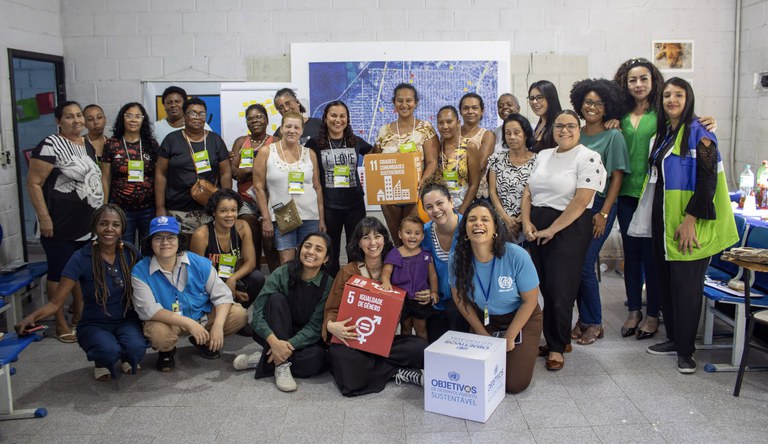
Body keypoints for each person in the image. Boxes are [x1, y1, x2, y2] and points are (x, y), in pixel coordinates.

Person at [611, 58, 716, 339]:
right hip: (626, 195)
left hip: (656, 196)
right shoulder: (618, 114)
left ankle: (653, 315)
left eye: (644, 79)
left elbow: (695, 140)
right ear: (625, 83)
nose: (638, 84)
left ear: (653, 80)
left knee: (654, 258)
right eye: (632, 80)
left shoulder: (664, 114)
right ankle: (634, 310)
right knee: (630, 257)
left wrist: (706, 120)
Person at [643, 78, 738, 374]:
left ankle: (686, 351)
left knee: (686, 287)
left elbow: (707, 180)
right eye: (667, 95)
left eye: (678, 95)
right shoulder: (665, 134)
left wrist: (689, 221)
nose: (672, 99)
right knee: (666, 281)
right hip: (663, 217)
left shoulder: (702, 133)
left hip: (688, 219)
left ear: (689, 98)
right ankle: (674, 338)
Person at [16, 205, 146, 381]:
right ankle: (101, 362)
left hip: (126, 319)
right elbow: (56, 302)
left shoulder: (129, 251)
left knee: (136, 348)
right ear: (94, 227)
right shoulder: (80, 257)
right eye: (103, 223)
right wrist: (32, 317)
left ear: (122, 228)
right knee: (107, 351)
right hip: (95, 323)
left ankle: (127, 356)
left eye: (115, 225)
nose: (109, 229)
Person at [521, 110, 606, 371]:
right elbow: (528, 191)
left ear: (579, 129)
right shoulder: (544, 155)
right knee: (543, 287)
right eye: (559, 126)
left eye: (570, 126)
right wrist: (526, 222)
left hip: (568, 228)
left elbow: (581, 201)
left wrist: (553, 229)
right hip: (537, 225)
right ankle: (557, 339)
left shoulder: (589, 157)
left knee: (561, 289)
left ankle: (557, 348)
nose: (564, 130)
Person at [26, 100, 104, 343]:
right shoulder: (51, 144)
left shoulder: (86, 144)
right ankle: (59, 322)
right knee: (59, 274)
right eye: (69, 117)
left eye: (79, 116)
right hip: (59, 224)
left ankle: (79, 314)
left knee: (80, 272)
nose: (77, 121)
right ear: (58, 121)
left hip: (86, 225)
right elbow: (34, 183)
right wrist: (44, 217)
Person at [323, 217, 427, 396]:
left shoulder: (397, 267)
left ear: (385, 240)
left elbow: (415, 288)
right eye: (365, 238)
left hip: (385, 341)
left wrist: (426, 293)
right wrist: (332, 326)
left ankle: (376, 368)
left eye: (377, 236)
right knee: (339, 356)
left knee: (419, 347)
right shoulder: (348, 271)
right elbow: (332, 308)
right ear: (358, 243)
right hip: (355, 340)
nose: (372, 243)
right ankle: (396, 372)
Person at [131, 216, 247, 371]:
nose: (165, 243)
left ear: (179, 240)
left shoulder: (198, 262)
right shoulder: (140, 271)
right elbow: (148, 309)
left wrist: (218, 326)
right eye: (158, 238)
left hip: (202, 315)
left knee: (239, 315)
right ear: (150, 243)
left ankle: (205, 341)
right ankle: (166, 352)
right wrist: (189, 324)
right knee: (159, 334)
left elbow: (223, 295)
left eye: (171, 237)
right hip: (169, 321)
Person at [449, 201, 543, 394]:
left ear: (495, 229)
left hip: (521, 318)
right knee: (475, 375)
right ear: (465, 230)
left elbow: (530, 301)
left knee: (513, 384)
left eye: (485, 220)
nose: (478, 224)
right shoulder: (457, 258)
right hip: (485, 318)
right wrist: (481, 332)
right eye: (472, 220)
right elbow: (460, 299)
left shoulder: (517, 255)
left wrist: (510, 336)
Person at [569, 79, 630, 345]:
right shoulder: (576, 133)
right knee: (576, 265)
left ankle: (594, 322)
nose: (592, 107)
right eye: (588, 102)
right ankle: (584, 319)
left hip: (599, 206)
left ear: (607, 108)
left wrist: (604, 213)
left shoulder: (613, 135)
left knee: (585, 264)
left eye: (598, 103)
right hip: (575, 207)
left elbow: (617, 178)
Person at [234, 232, 333, 392]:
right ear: (300, 249)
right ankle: (281, 365)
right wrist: (274, 342)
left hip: (302, 339)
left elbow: (315, 327)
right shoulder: (282, 272)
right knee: (276, 299)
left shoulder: (328, 284)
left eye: (318, 249)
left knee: (315, 361)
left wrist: (286, 347)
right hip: (274, 329)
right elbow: (258, 312)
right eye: (307, 246)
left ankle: (265, 357)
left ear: (326, 258)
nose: (311, 252)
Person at [305, 101, 372, 277]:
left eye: (342, 116)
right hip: (329, 205)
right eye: (333, 115)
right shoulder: (314, 144)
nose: (338, 120)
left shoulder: (355, 141)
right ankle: (331, 290)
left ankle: (354, 286)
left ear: (347, 119)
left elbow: (376, 156)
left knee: (355, 248)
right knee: (330, 251)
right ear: (325, 118)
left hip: (355, 205)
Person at [253, 111, 325, 264]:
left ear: (302, 130)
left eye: (297, 127)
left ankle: (305, 289)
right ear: (281, 128)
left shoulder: (310, 153)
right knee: (287, 263)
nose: (292, 130)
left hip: (310, 216)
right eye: (288, 126)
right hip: (282, 215)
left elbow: (317, 187)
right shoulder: (266, 152)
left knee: (310, 261)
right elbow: (258, 188)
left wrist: (321, 219)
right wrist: (266, 218)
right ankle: (288, 289)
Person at [155, 97, 232, 237]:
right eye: (193, 113)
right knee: (183, 251)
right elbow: (160, 174)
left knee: (208, 250)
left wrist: (226, 203)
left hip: (209, 209)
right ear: (184, 116)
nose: (198, 117)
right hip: (178, 208)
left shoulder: (215, 140)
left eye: (201, 114)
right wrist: (160, 207)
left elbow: (225, 173)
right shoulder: (171, 140)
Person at [374, 83, 439, 244]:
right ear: (394, 102)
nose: (404, 105)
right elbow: (374, 161)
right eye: (399, 100)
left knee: (415, 240)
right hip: (390, 196)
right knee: (398, 241)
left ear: (415, 102)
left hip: (415, 194)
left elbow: (432, 162)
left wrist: (422, 182)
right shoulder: (384, 131)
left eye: (409, 100)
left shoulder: (425, 129)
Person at [190, 189, 265, 322]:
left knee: (257, 277)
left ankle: (237, 316)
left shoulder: (242, 227)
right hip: (208, 284)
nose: (230, 215)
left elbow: (251, 262)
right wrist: (229, 291)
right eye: (223, 211)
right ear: (214, 212)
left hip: (231, 277)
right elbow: (197, 276)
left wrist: (233, 279)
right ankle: (217, 319)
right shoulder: (201, 235)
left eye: (233, 210)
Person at [101, 102, 159, 249]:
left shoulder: (151, 144)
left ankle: (144, 273)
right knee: (124, 247)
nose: (133, 120)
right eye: (129, 116)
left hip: (148, 208)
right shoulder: (112, 144)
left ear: (143, 120)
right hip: (121, 208)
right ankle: (127, 272)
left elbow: (159, 177)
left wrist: (160, 205)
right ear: (123, 119)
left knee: (148, 247)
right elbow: (106, 177)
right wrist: (106, 205)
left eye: (138, 116)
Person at [231, 103, 280, 272]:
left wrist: (250, 169)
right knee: (250, 244)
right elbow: (234, 172)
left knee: (271, 245)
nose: (254, 120)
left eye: (259, 116)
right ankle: (254, 285)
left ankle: (275, 286)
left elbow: (279, 170)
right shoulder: (240, 142)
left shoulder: (276, 142)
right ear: (246, 123)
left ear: (266, 120)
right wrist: (257, 168)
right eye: (250, 118)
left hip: (270, 200)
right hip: (246, 200)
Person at [420, 183, 470, 342]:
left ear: (451, 202)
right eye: (429, 206)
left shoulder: (469, 227)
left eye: (440, 203)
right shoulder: (423, 233)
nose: (435, 210)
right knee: (437, 346)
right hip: (437, 302)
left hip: (466, 299)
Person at [381, 216, 438, 341]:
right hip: (401, 299)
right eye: (408, 232)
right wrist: (385, 282)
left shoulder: (425, 255)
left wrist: (434, 291)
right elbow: (386, 270)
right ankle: (406, 352)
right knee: (405, 327)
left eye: (417, 233)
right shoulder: (395, 253)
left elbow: (432, 275)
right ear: (400, 234)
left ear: (422, 236)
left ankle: (423, 353)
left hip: (420, 298)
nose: (413, 236)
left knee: (421, 328)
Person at [488, 114, 537, 243]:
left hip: (528, 221)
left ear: (526, 134)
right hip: (500, 221)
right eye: (508, 133)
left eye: (517, 132)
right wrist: (506, 218)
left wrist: (521, 219)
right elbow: (492, 191)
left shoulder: (537, 161)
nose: (512, 137)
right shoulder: (497, 158)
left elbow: (537, 194)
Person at [434, 105, 481, 214]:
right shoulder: (435, 148)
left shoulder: (469, 147)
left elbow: (474, 184)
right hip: (440, 210)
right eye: (441, 123)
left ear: (458, 123)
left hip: (463, 208)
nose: (445, 126)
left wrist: (461, 212)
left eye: (449, 122)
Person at [459, 93, 496, 200]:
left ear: (482, 111)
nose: (470, 112)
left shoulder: (487, 135)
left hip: (476, 194)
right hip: (451, 192)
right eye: (465, 108)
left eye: (475, 108)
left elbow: (480, 165)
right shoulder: (452, 133)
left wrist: (453, 166)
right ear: (460, 111)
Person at [528, 80, 563, 153]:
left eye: (539, 97)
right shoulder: (540, 123)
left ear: (551, 98)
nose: (534, 102)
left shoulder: (559, 125)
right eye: (531, 98)